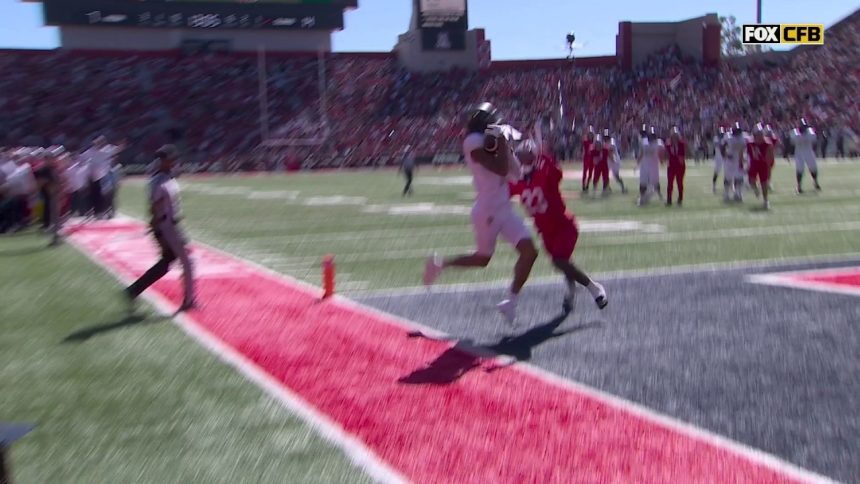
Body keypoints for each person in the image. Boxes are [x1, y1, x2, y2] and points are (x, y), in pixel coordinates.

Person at [423, 103, 538, 324]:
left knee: (530, 252)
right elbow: (500, 168)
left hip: (503, 207)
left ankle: (510, 302)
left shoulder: (489, 139)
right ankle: (439, 265)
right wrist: (503, 144)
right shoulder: (472, 142)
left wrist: (520, 154)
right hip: (487, 210)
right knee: (483, 259)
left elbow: (515, 174)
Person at [509, 139, 607, 314]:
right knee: (563, 263)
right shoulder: (518, 181)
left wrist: (544, 154)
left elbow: (556, 173)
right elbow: (502, 192)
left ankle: (593, 287)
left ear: (532, 156)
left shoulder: (545, 174)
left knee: (559, 261)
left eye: (522, 156)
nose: (518, 159)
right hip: (546, 232)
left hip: (564, 226)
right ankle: (571, 292)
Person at [125, 145, 196, 312]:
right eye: (171, 159)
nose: (174, 162)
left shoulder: (167, 178)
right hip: (167, 226)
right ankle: (189, 300)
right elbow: (155, 206)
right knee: (187, 261)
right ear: (163, 161)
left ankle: (134, 290)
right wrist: (157, 229)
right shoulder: (158, 181)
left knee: (166, 263)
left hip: (171, 224)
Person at [747, 124, 774, 210]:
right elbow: (747, 154)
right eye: (758, 135)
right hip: (754, 163)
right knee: (751, 181)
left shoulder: (767, 144)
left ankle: (766, 201)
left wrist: (769, 168)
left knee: (764, 183)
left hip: (763, 164)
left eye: (761, 134)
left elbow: (769, 158)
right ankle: (755, 189)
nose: (760, 137)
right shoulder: (750, 142)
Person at [791, 118, 821, 193]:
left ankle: (815, 182)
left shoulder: (810, 131)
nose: (804, 129)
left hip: (808, 151)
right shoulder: (794, 132)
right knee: (800, 169)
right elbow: (793, 142)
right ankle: (799, 186)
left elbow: (814, 139)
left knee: (813, 167)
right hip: (799, 152)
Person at [636, 126, 663, 206]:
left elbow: (662, 152)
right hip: (644, 165)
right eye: (651, 135)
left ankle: (659, 194)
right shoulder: (644, 142)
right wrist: (638, 161)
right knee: (642, 183)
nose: (652, 137)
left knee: (655, 182)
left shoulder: (659, 142)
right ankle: (642, 197)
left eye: (653, 135)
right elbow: (641, 152)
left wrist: (662, 160)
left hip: (653, 166)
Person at [723, 123, 747, 202]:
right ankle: (726, 194)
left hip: (739, 159)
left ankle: (737, 193)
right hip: (730, 159)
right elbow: (722, 146)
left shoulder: (744, 136)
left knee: (739, 177)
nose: (737, 133)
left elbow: (748, 146)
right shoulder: (728, 136)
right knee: (728, 178)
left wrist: (745, 156)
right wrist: (725, 155)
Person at [665, 127, 686, 207]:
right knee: (670, 183)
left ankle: (680, 198)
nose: (674, 137)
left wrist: (681, 159)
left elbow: (683, 155)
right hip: (671, 166)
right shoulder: (668, 144)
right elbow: (667, 154)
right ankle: (669, 200)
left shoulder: (681, 144)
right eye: (673, 135)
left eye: (676, 135)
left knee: (679, 183)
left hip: (680, 166)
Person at [712, 126, 726, 194]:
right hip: (718, 158)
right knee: (716, 172)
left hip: (724, 157)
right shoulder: (716, 138)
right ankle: (714, 185)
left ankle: (727, 186)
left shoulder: (725, 138)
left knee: (727, 172)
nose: (721, 134)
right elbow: (717, 145)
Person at [581, 126, 596, 193]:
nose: (590, 135)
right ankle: (583, 185)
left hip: (592, 159)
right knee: (585, 172)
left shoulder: (594, 142)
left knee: (590, 173)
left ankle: (587, 185)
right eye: (589, 134)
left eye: (591, 134)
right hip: (586, 158)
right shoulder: (586, 141)